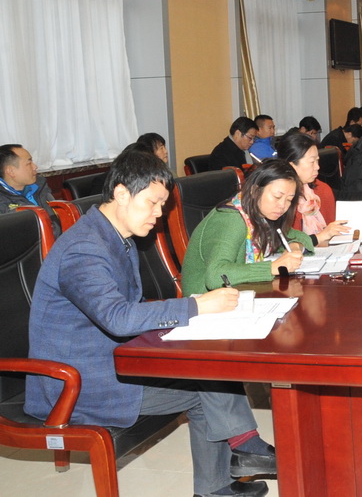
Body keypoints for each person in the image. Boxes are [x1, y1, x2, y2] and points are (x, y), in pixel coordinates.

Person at [25, 148, 276, 497]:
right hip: (79, 381)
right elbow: (118, 317)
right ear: (121, 194)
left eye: (163, 205)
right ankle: (231, 467)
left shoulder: (114, 236)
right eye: (153, 203)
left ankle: (237, 459)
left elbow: (129, 308)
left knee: (209, 366)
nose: (159, 214)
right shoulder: (84, 249)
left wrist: (191, 319)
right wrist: (195, 306)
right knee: (204, 391)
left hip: (112, 359)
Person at [181, 159, 313, 294]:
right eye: (277, 197)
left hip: (242, 293)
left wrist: (294, 247)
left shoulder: (263, 215)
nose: (283, 205)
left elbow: (299, 236)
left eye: (289, 200)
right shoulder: (231, 219)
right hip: (206, 301)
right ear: (255, 191)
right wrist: (272, 267)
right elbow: (215, 276)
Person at [278, 132, 350, 246]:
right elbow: (285, 244)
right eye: (312, 162)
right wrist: (321, 236)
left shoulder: (321, 190)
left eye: (317, 161)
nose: (318, 167)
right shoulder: (280, 199)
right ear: (291, 165)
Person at [0, 143, 61, 237]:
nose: (35, 167)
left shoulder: (39, 186)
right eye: (29, 163)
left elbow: (58, 219)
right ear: (11, 171)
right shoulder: (3, 202)